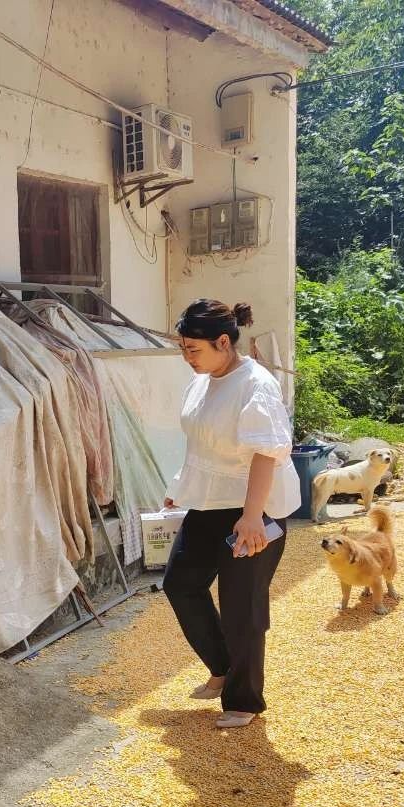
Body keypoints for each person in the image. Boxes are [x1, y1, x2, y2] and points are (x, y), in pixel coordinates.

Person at [161, 300, 300, 729]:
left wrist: (253, 516)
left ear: (223, 342)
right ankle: (223, 668)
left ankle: (244, 699)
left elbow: (266, 452)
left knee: (242, 605)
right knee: (181, 584)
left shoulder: (256, 385)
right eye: (183, 349)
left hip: (254, 507)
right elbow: (200, 441)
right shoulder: (201, 381)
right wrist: (180, 487)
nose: (187, 357)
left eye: (194, 349)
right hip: (209, 501)